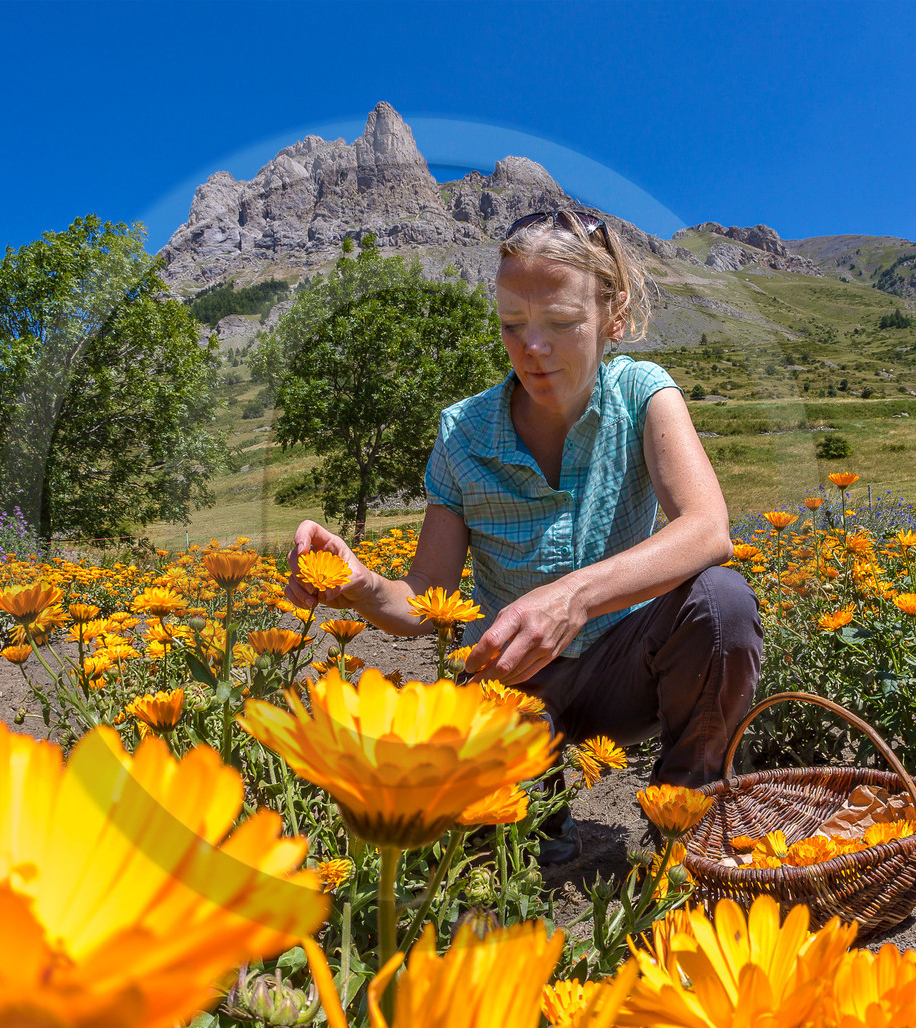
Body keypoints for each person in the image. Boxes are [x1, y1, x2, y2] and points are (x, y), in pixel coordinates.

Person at [286, 209, 763, 863]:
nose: (532, 348)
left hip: (627, 672)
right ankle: (542, 820)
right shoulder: (463, 434)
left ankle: (688, 825)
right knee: (511, 853)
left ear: (612, 318)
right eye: (513, 326)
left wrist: (573, 596)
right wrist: (359, 582)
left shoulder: (644, 395)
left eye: (562, 325)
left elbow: (708, 529)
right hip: (514, 688)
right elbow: (424, 596)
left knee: (721, 602)